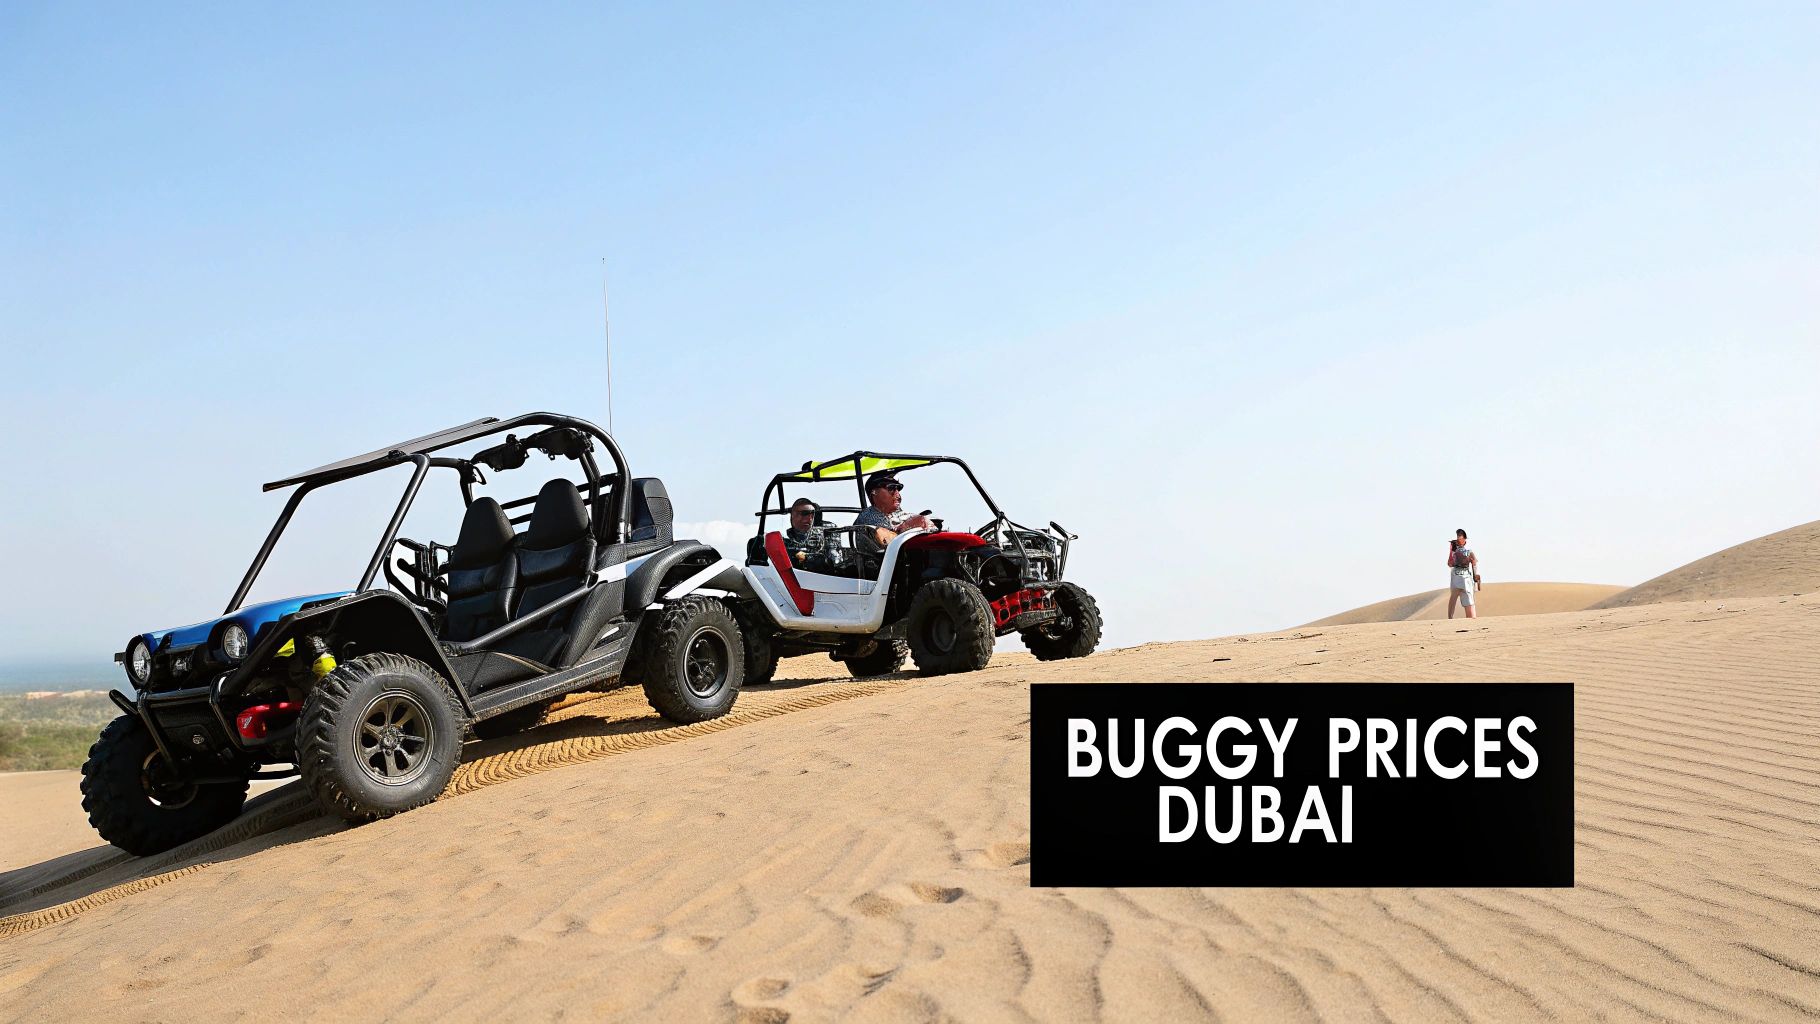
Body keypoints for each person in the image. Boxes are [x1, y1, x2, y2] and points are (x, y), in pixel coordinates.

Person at [853, 471, 934, 561]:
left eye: (898, 488)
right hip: (884, 570)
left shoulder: (899, 514)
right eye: (891, 488)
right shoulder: (869, 516)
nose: (897, 494)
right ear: (874, 492)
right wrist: (907, 527)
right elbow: (888, 543)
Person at [1447, 528, 1481, 619]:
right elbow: (1474, 566)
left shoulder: (1466, 552)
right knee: (1466, 600)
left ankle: (1451, 618)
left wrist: (1475, 577)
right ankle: (1468, 619)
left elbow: (1450, 563)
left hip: (1461, 577)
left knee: (1457, 598)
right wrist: (1475, 577)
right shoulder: (1467, 552)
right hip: (1464, 578)